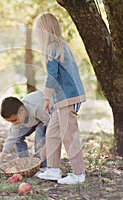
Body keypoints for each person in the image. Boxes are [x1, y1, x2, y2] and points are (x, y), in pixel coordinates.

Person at [34, 12, 87, 184]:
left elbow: (52, 77)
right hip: (63, 100)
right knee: (53, 134)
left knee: (69, 135)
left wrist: (46, 99)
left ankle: (79, 174)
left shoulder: (52, 48)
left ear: (44, 31)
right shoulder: (62, 46)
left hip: (67, 99)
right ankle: (53, 169)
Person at [0, 91, 52, 169]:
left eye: (14, 120)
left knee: (39, 134)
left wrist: (44, 148)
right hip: (33, 118)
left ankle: (42, 166)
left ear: (22, 110)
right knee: (17, 137)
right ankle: (26, 165)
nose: (14, 123)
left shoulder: (36, 107)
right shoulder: (18, 117)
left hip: (47, 116)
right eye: (11, 121)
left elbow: (52, 127)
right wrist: (0, 158)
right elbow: (11, 138)